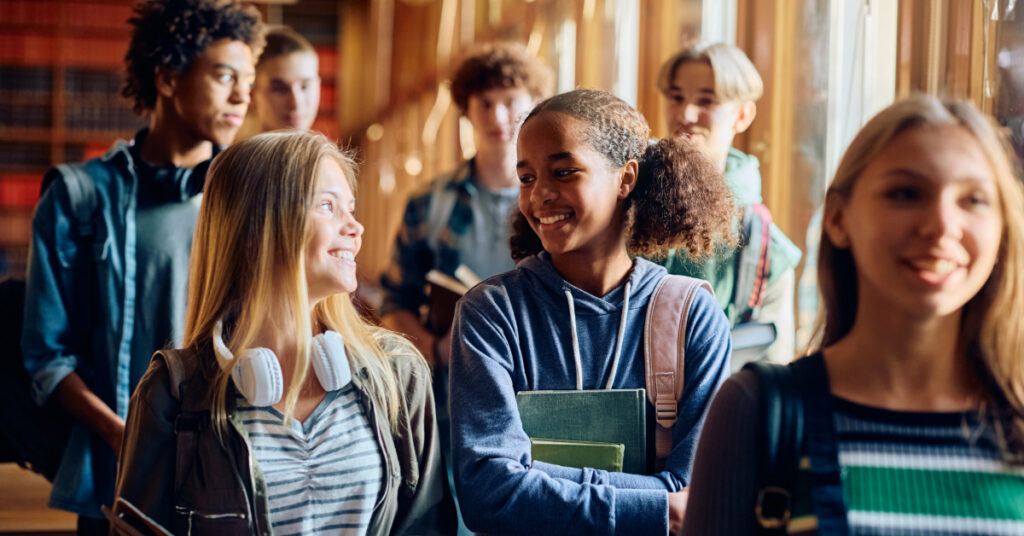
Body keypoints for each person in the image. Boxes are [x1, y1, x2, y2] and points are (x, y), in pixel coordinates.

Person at [682, 95, 1024, 534]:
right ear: (838, 218)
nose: (941, 225)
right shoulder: (756, 410)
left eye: (973, 199)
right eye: (906, 193)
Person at [114, 131, 453, 535]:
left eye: (351, 208)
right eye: (328, 206)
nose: (356, 227)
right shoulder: (173, 392)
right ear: (255, 231)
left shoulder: (397, 372)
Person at [20, 1, 262, 532]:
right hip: (115, 478)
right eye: (225, 76)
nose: (244, 95)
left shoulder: (249, 201)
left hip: (228, 473)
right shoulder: (76, 197)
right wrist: (121, 433)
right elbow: (45, 356)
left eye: (249, 79)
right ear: (168, 78)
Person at [450, 89, 736, 536]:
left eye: (563, 172)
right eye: (526, 178)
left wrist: (535, 477)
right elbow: (489, 492)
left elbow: (696, 497)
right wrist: (654, 501)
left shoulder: (690, 316)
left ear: (626, 179)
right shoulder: (491, 314)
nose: (540, 195)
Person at [379, 41, 552, 367]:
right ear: (466, 109)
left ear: (534, 104)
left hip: (536, 378)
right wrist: (435, 350)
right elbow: (395, 300)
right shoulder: (428, 202)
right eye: (485, 103)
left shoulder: (555, 202)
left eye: (511, 101)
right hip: (452, 389)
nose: (498, 116)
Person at [657, 42, 802, 366]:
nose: (686, 114)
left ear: (743, 115)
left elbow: (771, 367)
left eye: (707, 101)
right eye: (676, 97)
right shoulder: (621, 200)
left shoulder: (764, 246)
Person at [237, 25, 321, 138]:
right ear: (252, 94)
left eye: (305, 87)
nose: (295, 103)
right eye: (280, 89)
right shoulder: (236, 155)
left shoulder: (327, 155)